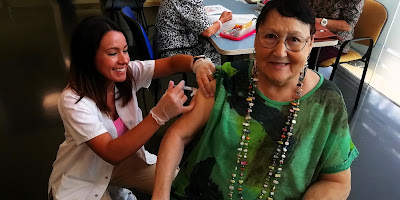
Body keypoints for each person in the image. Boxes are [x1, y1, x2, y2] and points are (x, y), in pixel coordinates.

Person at [152, 0, 359, 199]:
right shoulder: (229, 78)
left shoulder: (327, 102)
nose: (280, 52)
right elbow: (178, 135)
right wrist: (160, 195)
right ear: (256, 38)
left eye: (294, 40)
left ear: (310, 43)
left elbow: (337, 181)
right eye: (270, 36)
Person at [47, 16, 216, 200]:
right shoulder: (73, 100)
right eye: (113, 53)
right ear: (88, 57)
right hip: (87, 174)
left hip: (126, 163)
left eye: (126, 51)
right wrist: (159, 115)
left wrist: (197, 62)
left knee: (180, 183)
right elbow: (111, 152)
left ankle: (117, 187)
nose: (124, 60)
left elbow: (170, 63)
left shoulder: (128, 74)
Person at [153, 0, 233, 65]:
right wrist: (222, 20)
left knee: (207, 43)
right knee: (213, 53)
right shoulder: (189, 1)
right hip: (172, 51)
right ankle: (209, 83)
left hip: (165, 44)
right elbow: (207, 31)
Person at [305, 0, 365, 64]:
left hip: (335, 42)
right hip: (311, 32)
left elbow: (347, 25)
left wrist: (320, 21)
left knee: (302, 53)